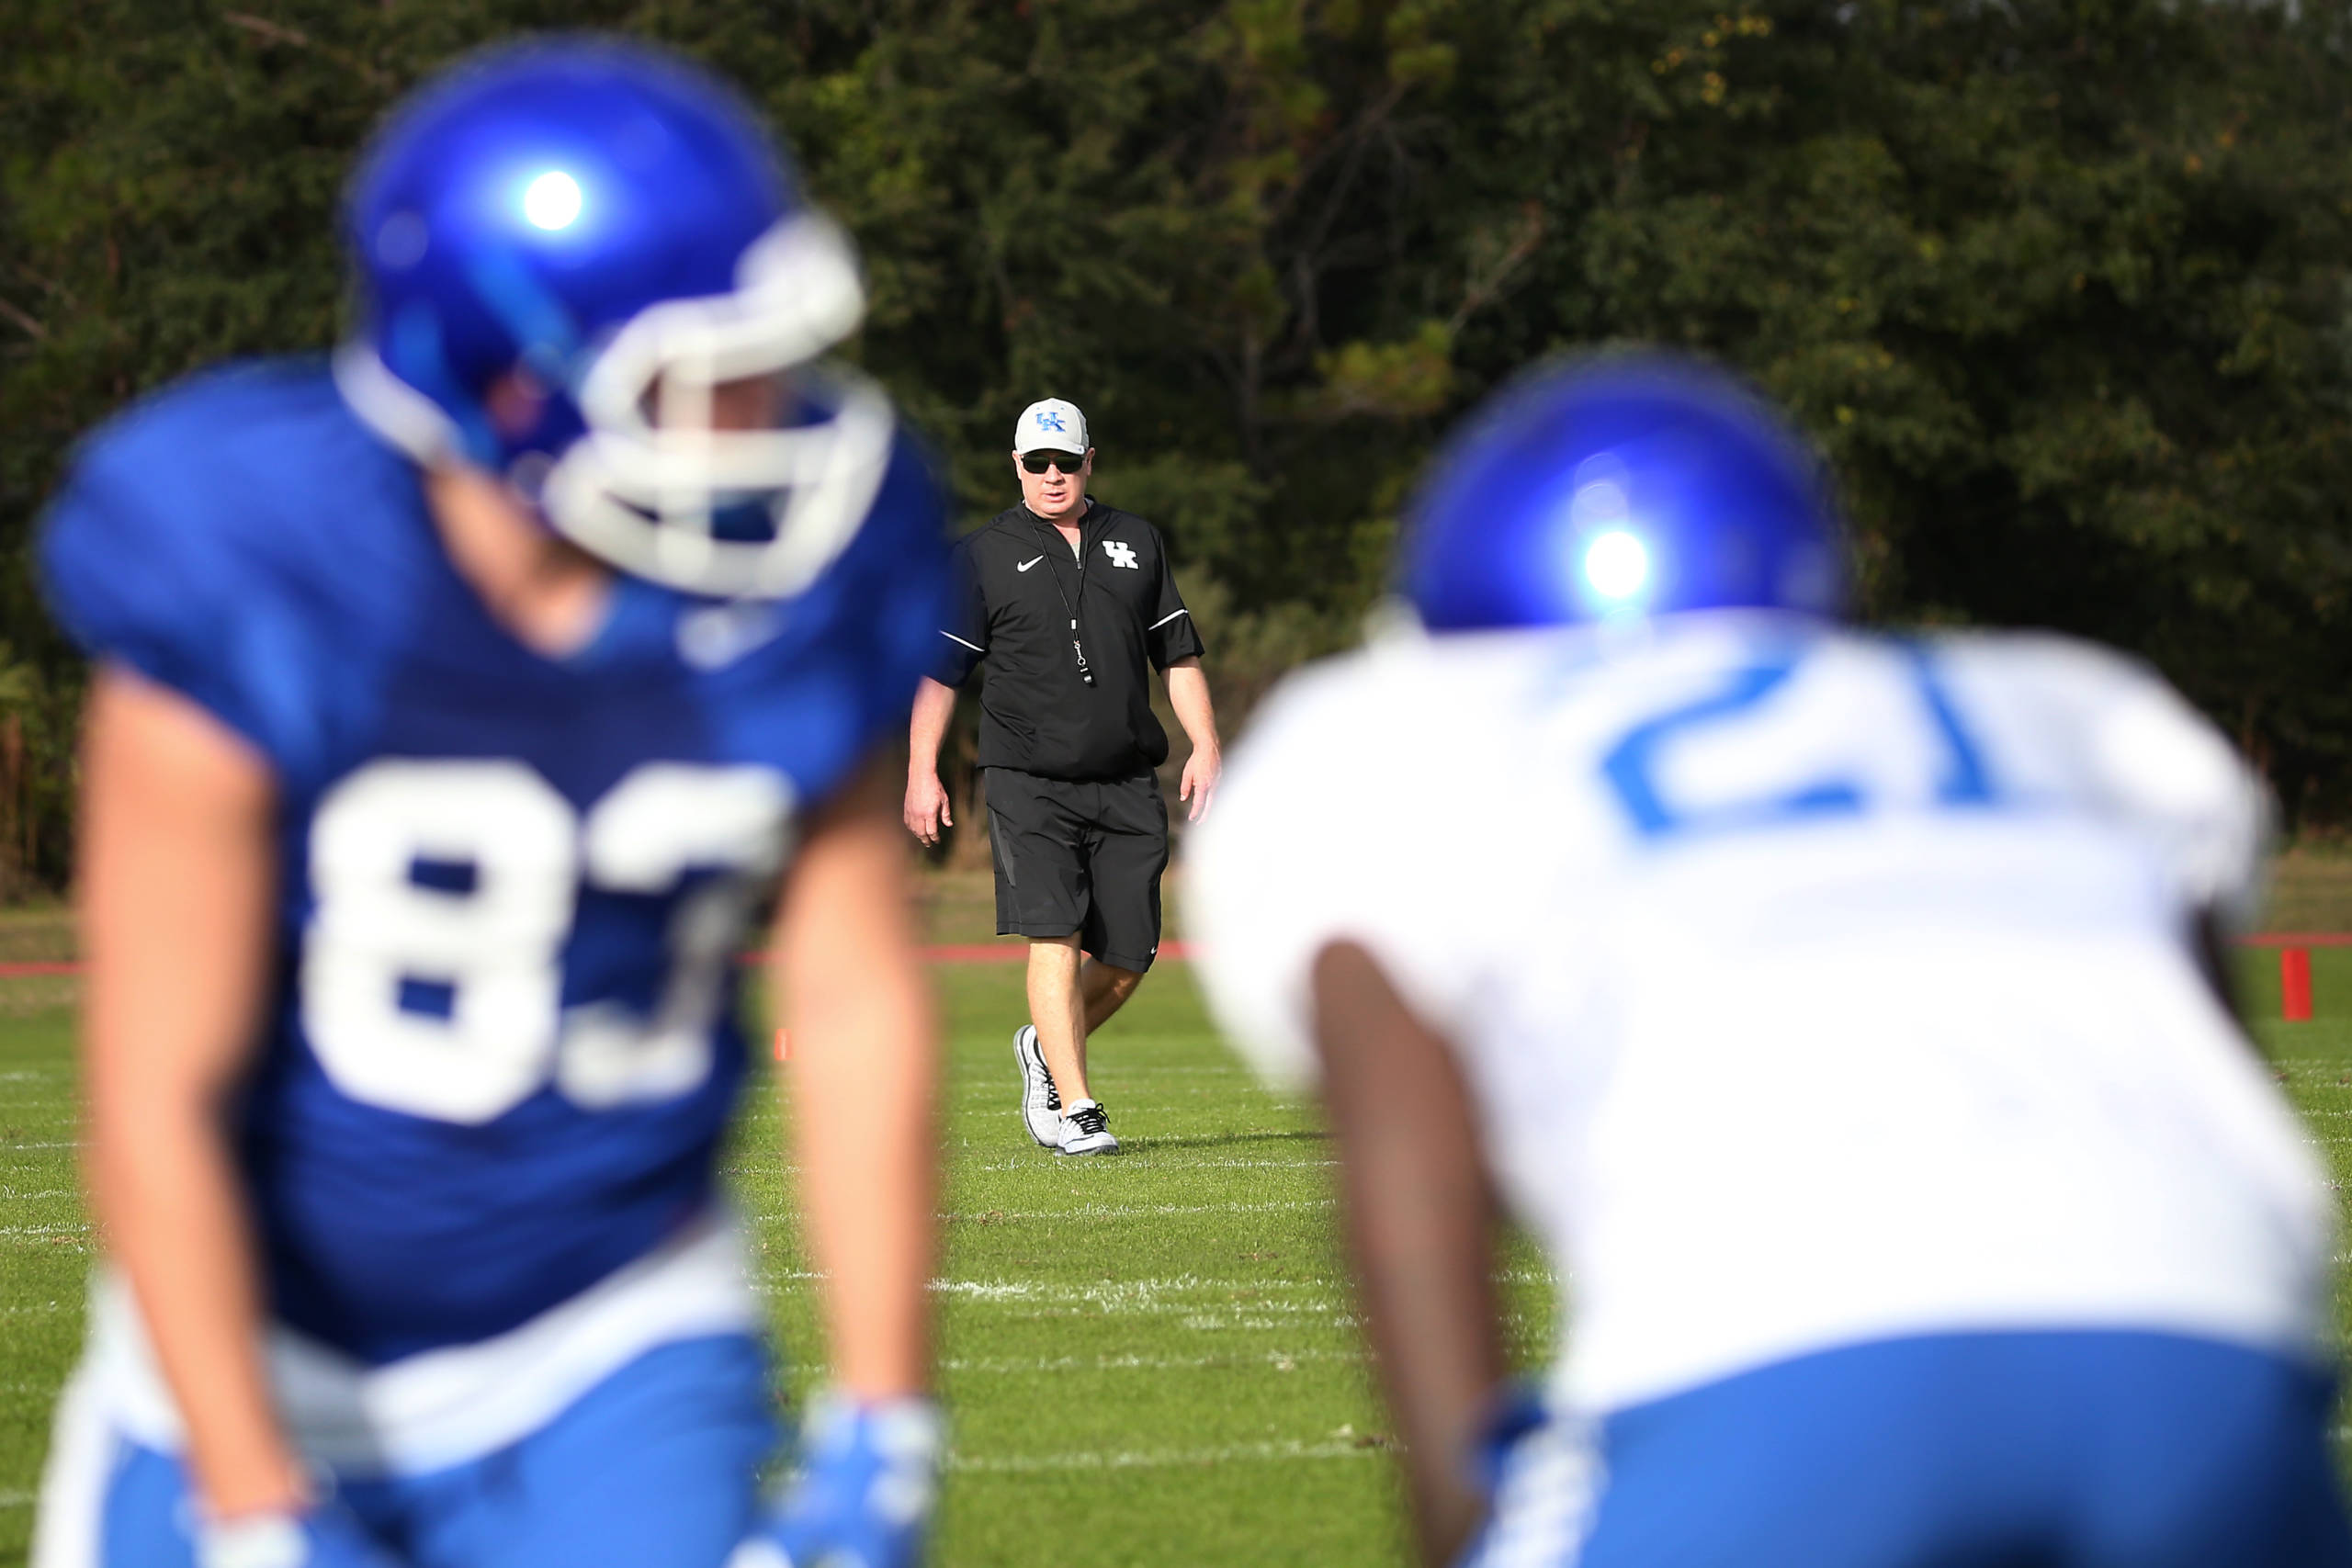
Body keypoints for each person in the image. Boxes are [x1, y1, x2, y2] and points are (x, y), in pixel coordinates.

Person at [1190, 354, 2351, 1568]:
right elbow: (2203, 1053)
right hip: (2211, 1346)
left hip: (1771, 1345)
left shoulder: (1400, 740)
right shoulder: (2061, 701)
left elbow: (1417, 1218)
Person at [31, 40, 948, 1568]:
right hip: (247, 1341)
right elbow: (152, 1085)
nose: (768, 414)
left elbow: (852, 993)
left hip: (610, 1328)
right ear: (510, 375)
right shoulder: (260, 552)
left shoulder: (805, 569)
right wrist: (252, 1503)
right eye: (706, 374)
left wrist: (885, 1421)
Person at [904, 399, 1219, 1156]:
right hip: (1026, 777)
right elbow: (940, 676)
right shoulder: (979, 556)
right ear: (1015, 465)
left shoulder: (1136, 542)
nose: (1053, 476)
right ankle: (1077, 1107)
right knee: (1055, 933)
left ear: (1088, 462)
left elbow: (1177, 656)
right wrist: (922, 770)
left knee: (1130, 954)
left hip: (1124, 780)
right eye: (1037, 463)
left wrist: (1205, 743)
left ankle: (1043, 1045)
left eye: (1066, 462)